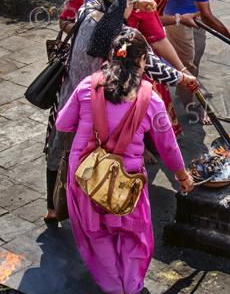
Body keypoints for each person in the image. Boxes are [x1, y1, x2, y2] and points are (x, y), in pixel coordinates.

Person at [44, 0, 198, 222]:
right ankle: (100, 202)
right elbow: (154, 68)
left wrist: (134, 3)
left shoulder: (85, 11)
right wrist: (182, 77)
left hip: (69, 93)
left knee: (57, 149)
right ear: (123, 3)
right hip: (100, 102)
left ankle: (53, 209)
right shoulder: (123, 36)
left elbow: (103, 4)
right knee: (98, 155)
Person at [55, 28, 194, 294]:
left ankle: (112, 287)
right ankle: (131, 286)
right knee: (132, 235)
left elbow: (62, 124)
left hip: (86, 176)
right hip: (126, 181)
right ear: (141, 60)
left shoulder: (88, 85)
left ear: (112, 57)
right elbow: (168, 145)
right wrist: (182, 175)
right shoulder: (150, 98)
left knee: (97, 234)